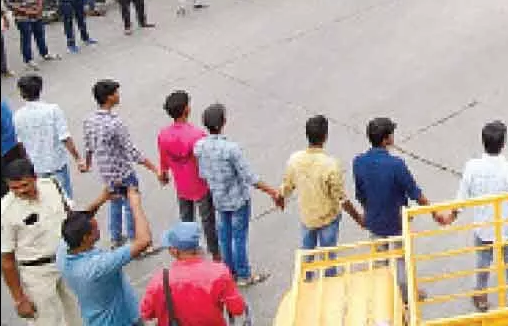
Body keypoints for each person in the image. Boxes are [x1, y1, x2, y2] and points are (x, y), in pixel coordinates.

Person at [442, 121, 508, 311]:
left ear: (483, 142)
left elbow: (462, 197)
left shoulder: (472, 167)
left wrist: (451, 217)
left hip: (484, 227)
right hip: (507, 226)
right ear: (503, 143)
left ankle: (481, 296)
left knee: (483, 262)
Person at [353, 117, 449, 299]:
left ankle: (385, 299)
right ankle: (407, 297)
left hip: (374, 221)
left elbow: (360, 193)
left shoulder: (358, 162)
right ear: (385, 140)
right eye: (391, 134)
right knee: (401, 262)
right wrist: (435, 213)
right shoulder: (396, 164)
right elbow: (416, 193)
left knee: (381, 263)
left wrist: (367, 212)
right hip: (397, 222)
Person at [194, 103, 285, 286]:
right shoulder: (231, 149)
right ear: (224, 122)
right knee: (239, 237)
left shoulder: (199, 147)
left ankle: (229, 272)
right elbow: (250, 177)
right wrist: (272, 191)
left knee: (225, 237)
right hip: (237, 199)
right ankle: (244, 274)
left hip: (218, 199)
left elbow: (202, 173)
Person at [1, 158, 86, 326]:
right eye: (14, 188)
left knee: (80, 315)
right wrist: (19, 299)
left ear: (35, 178)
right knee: (47, 322)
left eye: (24, 185)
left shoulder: (52, 185)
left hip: (67, 261)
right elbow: (7, 260)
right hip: (36, 275)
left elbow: (70, 215)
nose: (20, 191)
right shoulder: (5, 211)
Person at [82, 80, 164, 250]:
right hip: (122, 171)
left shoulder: (89, 120)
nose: (118, 95)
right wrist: (154, 168)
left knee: (114, 202)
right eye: (116, 93)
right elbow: (132, 152)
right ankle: (137, 242)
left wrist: (88, 163)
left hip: (106, 173)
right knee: (132, 206)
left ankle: (116, 238)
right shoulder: (115, 123)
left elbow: (88, 145)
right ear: (109, 97)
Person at [58, 184, 152, 326]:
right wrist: (135, 204)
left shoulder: (64, 250)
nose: (99, 227)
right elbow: (144, 241)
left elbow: (79, 220)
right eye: (95, 228)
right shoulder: (97, 266)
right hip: (122, 320)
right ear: (86, 238)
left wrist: (102, 199)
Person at [281, 115, 366, 264]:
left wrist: (280, 198)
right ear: (325, 136)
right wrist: (358, 217)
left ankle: (306, 283)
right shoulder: (331, 165)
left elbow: (286, 187)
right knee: (328, 259)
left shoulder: (294, 160)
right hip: (328, 218)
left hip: (308, 218)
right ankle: (329, 281)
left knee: (307, 257)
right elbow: (341, 198)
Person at [155, 91, 221, 264]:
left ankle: (188, 251)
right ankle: (215, 254)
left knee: (186, 220)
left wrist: (163, 173)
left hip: (181, 185)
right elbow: (206, 161)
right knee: (208, 222)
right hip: (200, 184)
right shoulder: (197, 135)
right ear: (186, 110)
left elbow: (164, 159)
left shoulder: (163, 135)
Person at [138, 221, 246, 326]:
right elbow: (238, 309)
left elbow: (147, 313)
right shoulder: (219, 272)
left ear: (174, 251)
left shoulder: (159, 280)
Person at [15, 75, 86, 200]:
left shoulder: (18, 116)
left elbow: (20, 144)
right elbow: (65, 137)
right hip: (56, 164)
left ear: (22, 93)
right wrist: (78, 158)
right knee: (66, 200)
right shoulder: (52, 110)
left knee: (47, 201)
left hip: (36, 168)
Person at [4, 0, 60, 69]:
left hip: (36, 11)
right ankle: (28, 60)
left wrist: (39, 6)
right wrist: (27, 11)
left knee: (40, 34)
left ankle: (45, 53)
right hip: (22, 16)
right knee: (26, 37)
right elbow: (9, 3)